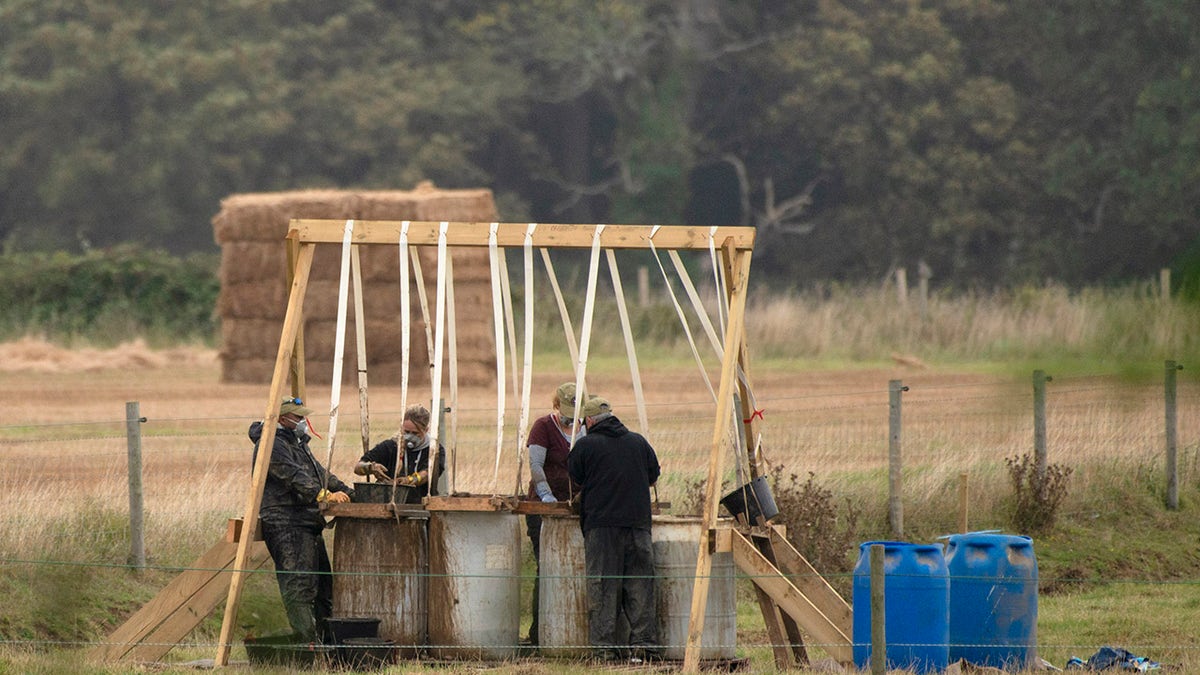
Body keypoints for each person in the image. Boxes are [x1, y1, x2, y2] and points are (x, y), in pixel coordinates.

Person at [248, 396, 353, 643]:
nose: (304, 421)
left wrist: (348, 491)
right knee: (299, 587)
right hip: (286, 522)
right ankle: (308, 645)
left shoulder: (296, 443)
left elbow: (318, 473)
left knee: (324, 589)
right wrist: (323, 495)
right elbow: (293, 476)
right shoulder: (271, 443)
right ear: (283, 419)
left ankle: (328, 645)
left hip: (306, 522)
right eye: (298, 417)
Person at [567, 396, 662, 662]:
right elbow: (654, 475)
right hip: (638, 525)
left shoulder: (586, 445)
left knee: (603, 587)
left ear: (588, 421)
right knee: (641, 586)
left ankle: (605, 651)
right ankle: (644, 647)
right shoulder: (638, 442)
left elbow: (574, 475)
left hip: (602, 528)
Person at [521, 381, 585, 647]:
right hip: (543, 506)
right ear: (556, 405)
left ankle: (572, 629)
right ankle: (539, 632)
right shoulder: (543, 426)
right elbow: (536, 464)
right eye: (565, 407)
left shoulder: (585, 429)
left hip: (576, 505)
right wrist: (546, 494)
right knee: (545, 566)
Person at [354, 404, 446, 504]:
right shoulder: (390, 446)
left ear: (426, 430)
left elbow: (426, 474)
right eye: (406, 432)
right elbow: (358, 467)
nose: (410, 436)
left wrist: (408, 480)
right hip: (389, 504)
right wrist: (370, 467)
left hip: (422, 504)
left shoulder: (434, 450)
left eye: (415, 433)